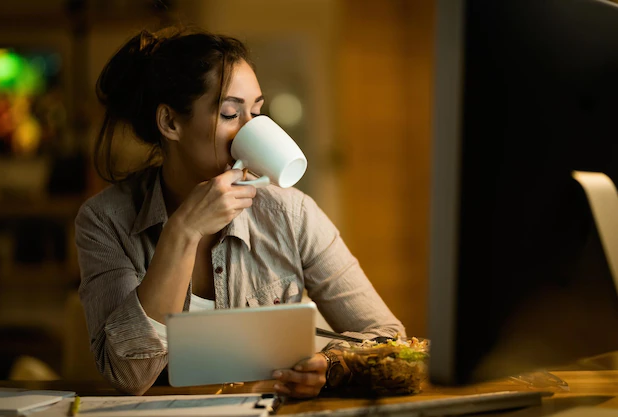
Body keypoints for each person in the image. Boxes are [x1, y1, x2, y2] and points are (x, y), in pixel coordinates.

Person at [75, 26, 406, 397]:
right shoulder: (105, 220)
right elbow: (128, 377)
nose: (253, 129)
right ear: (170, 123)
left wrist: (330, 367)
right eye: (231, 113)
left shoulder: (290, 213)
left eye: (258, 111)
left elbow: (389, 339)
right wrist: (182, 232)